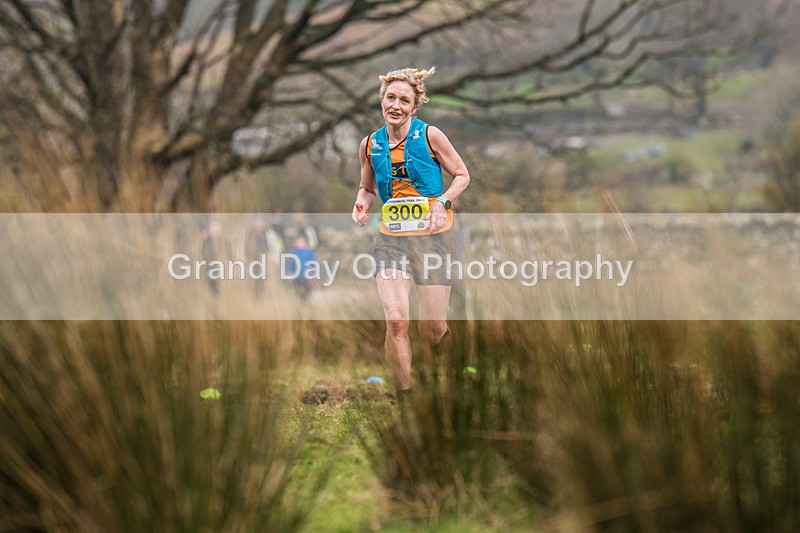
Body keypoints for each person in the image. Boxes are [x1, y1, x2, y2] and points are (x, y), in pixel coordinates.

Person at [351, 67, 470, 401]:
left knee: (432, 331)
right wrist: (361, 203)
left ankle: (451, 366)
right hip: (391, 240)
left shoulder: (431, 136)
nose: (396, 106)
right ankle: (405, 399)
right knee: (395, 320)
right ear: (381, 100)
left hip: (434, 238)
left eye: (404, 100)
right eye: (391, 98)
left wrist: (443, 202)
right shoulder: (369, 144)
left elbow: (462, 175)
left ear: (415, 107)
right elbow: (367, 188)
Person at [285, 235, 317, 303]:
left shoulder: (309, 252)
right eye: (298, 242)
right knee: (298, 290)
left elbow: (313, 262)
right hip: (297, 275)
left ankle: (305, 301)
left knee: (307, 291)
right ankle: (301, 302)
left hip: (307, 276)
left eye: (301, 242)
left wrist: (313, 271)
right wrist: (289, 270)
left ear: (305, 243)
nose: (299, 244)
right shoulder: (294, 252)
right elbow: (291, 262)